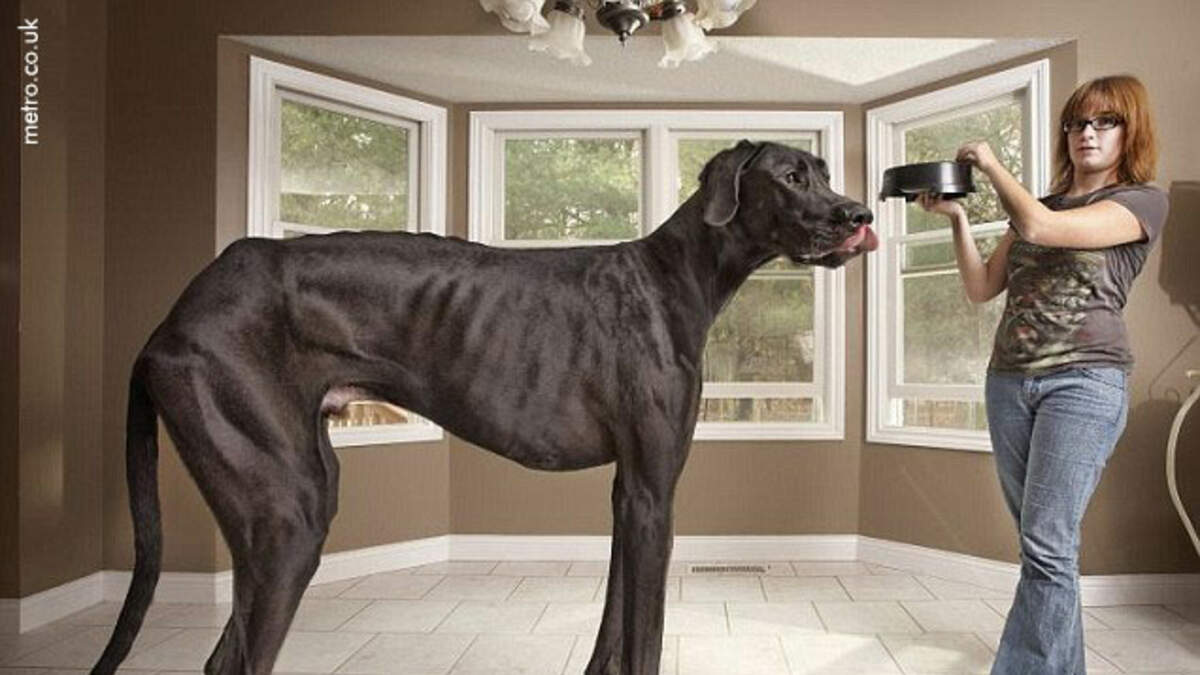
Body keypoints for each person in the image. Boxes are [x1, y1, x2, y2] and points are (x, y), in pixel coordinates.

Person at [917, 74, 1170, 674]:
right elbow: (982, 287)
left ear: (1130, 131)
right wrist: (956, 218)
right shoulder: (1044, 204)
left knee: (1047, 546)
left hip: (1083, 382)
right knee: (1042, 551)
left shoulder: (1141, 201)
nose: (1087, 132)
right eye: (1077, 122)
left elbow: (1039, 230)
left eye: (1105, 121)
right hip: (1008, 382)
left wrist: (990, 163)